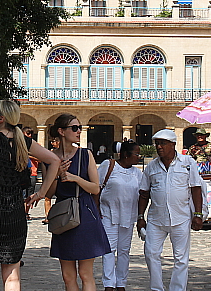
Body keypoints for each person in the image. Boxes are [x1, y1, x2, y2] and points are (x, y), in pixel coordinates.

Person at [0, 100, 60, 291]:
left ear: (1, 118)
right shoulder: (24, 142)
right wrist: (41, 193)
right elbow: (54, 160)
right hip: (15, 214)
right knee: (13, 278)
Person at [49, 113, 111, 291]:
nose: (78, 131)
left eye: (79, 128)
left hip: (85, 212)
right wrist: (56, 175)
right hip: (63, 214)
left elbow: (95, 188)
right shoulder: (51, 157)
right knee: (68, 276)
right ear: (61, 131)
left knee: (85, 273)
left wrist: (75, 178)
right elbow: (50, 193)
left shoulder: (85, 154)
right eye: (74, 128)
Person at [137, 129, 203, 291]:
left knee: (181, 258)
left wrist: (198, 214)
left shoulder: (187, 163)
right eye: (157, 143)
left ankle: (177, 288)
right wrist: (140, 216)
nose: (159, 147)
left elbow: (195, 189)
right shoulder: (151, 167)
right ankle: (156, 288)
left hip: (181, 217)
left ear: (173, 144)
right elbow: (144, 193)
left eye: (163, 143)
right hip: (156, 219)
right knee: (151, 253)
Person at [98, 141, 143, 291]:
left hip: (128, 216)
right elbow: (96, 187)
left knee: (124, 250)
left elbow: (143, 193)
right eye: (136, 154)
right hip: (108, 214)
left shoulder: (137, 173)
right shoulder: (108, 166)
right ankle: (109, 283)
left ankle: (121, 283)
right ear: (125, 155)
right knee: (109, 250)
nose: (139, 157)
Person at [43, 137, 61, 225]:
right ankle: (48, 215)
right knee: (47, 198)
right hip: (52, 178)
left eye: (55, 141)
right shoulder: (49, 153)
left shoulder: (63, 153)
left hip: (61, 178)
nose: (53, 143)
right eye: (52, 141)